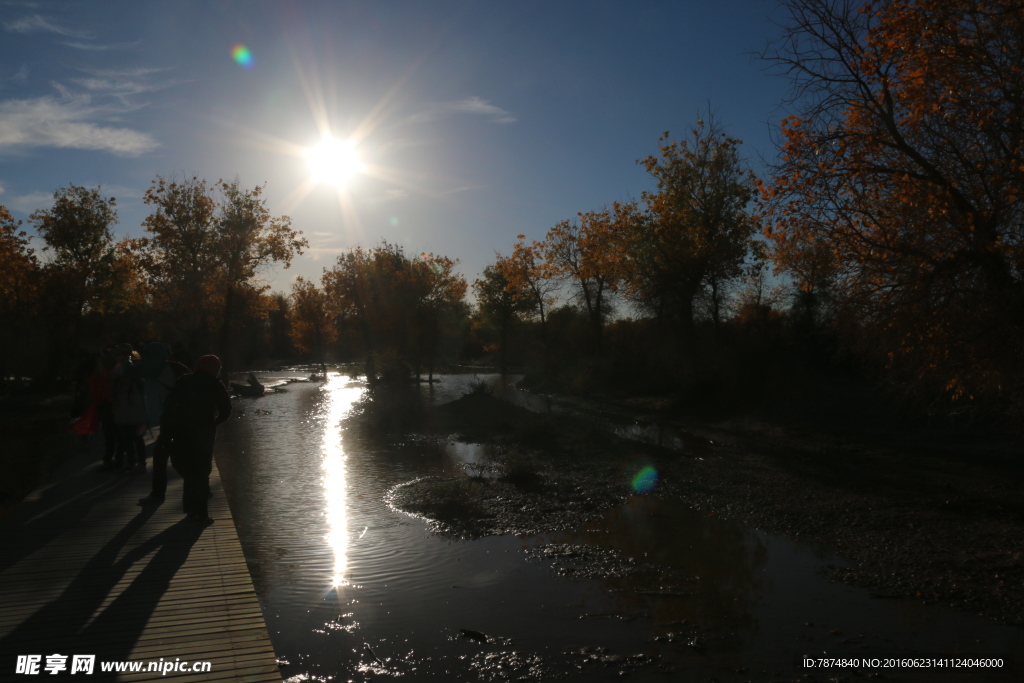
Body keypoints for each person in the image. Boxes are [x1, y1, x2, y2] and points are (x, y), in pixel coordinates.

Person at [161, 354, 232, 525]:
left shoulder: (184, 381)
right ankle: (200, 513)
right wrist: (215, 422)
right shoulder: (215, 384)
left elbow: (169, 405)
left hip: (181, 430)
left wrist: (167, 429)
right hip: (204, 433)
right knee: (200, 472)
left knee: (186, 469)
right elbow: (226, 410)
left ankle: (190, 509)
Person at [138, 343, 192, 505]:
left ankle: (158, 494)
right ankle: (200, 486)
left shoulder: (153, 368)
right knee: (175, 456)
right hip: (178, 418)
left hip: (171, 419)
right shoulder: (176, 368)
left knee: (164, 456)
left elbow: (126, 371)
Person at [111, 344, 147, 473]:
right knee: (129, 438)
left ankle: (139, 463)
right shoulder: (125, 368)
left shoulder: (133, 369)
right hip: (126, 409)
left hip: (133, 410)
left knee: (135, 438)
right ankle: (133, 463)